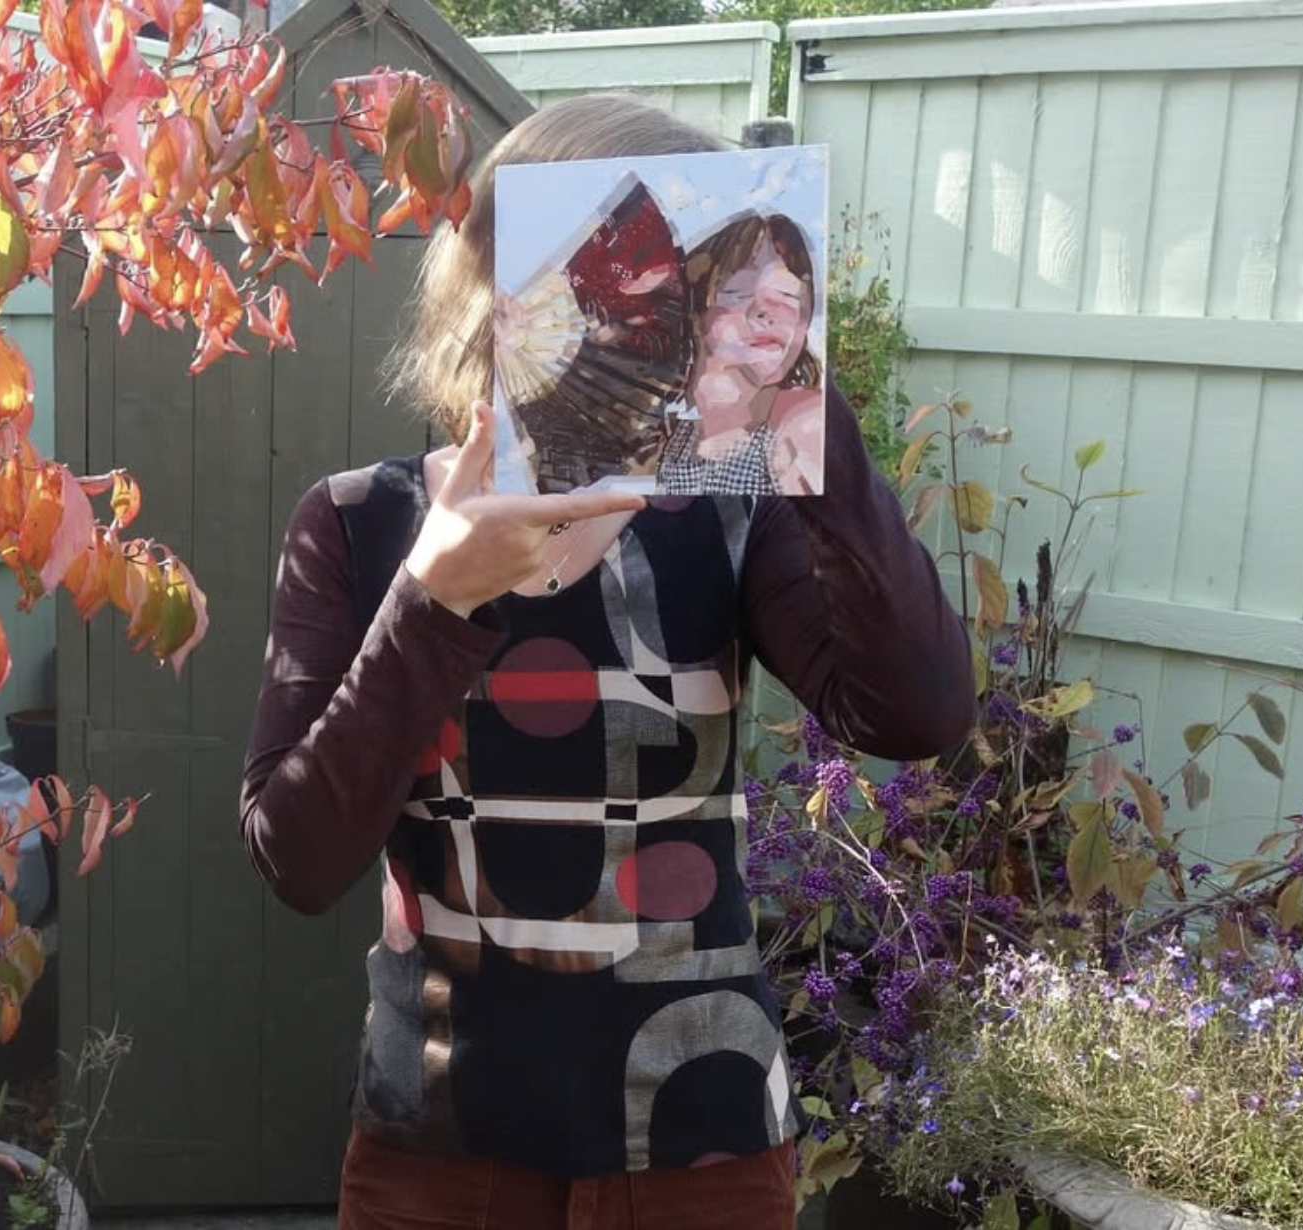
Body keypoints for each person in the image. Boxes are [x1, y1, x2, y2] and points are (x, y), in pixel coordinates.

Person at [239, 93, 974, 1230]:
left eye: (697, 289)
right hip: (443, 1144)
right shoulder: (357, 524)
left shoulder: (726, 518)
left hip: (700, 1140)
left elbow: (915, 715)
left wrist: (814, 439)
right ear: (511, 287)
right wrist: (435, 596)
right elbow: (297, 857)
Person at [659, 213, 825, 497]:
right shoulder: (674, 437)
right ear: (695, 313)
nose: (767, 310)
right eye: (739, 291)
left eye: (789, 298)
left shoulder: (801, 428)